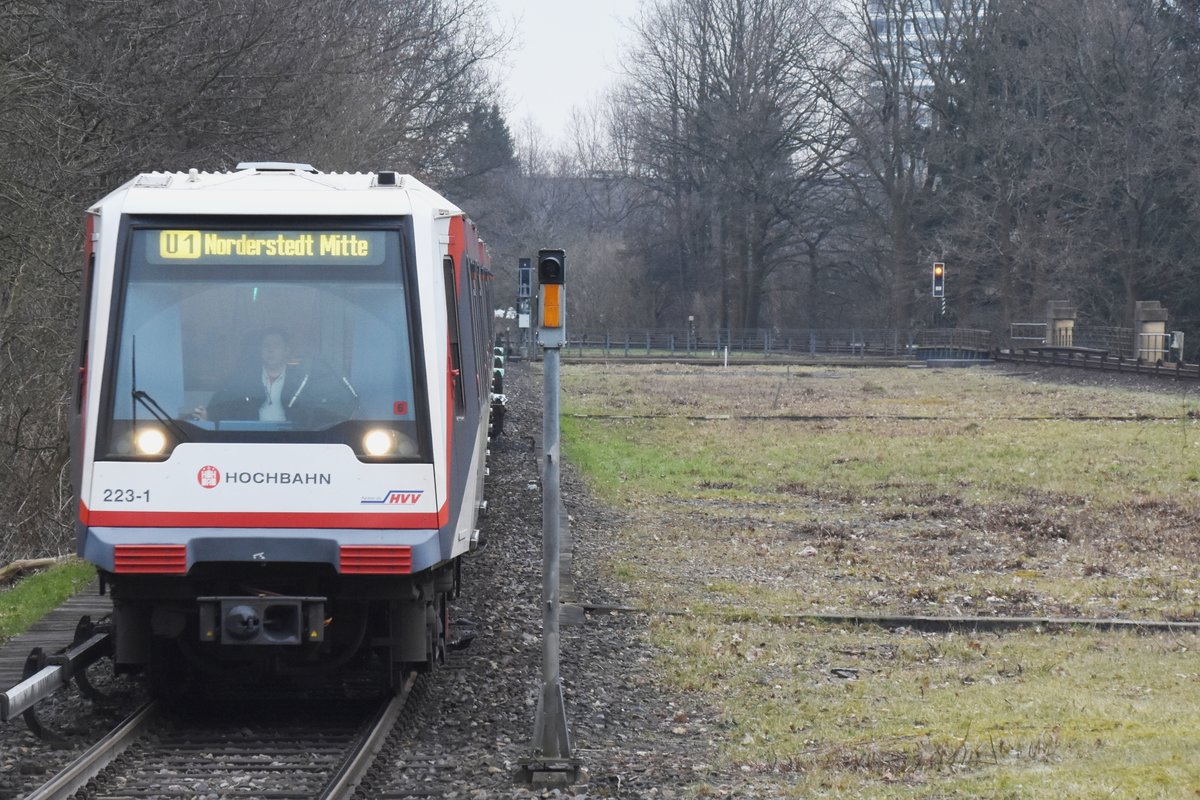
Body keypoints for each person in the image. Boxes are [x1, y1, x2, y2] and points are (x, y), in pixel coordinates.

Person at [193, 328, 357, 427]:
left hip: (296, 443)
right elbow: (223, 407)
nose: (270, 350)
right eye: (266, 346)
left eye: (276, 346)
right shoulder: (242, 380)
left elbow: (318, 413)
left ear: (287, 350)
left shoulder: (304, 381)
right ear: (260, 351)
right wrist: (208, 416)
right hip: (249, 442)